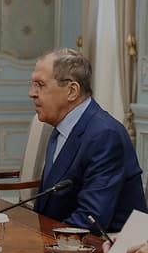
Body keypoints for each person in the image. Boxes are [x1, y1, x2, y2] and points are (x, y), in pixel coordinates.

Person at [30, 49, 146, 233]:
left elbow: (91, 219)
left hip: (105, 246)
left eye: (40, 85)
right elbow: (48, 203)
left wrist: (39, 240)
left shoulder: (105, 135)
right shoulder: (60, 127)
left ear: (72, 91)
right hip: (59, 238)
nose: (32, 93)